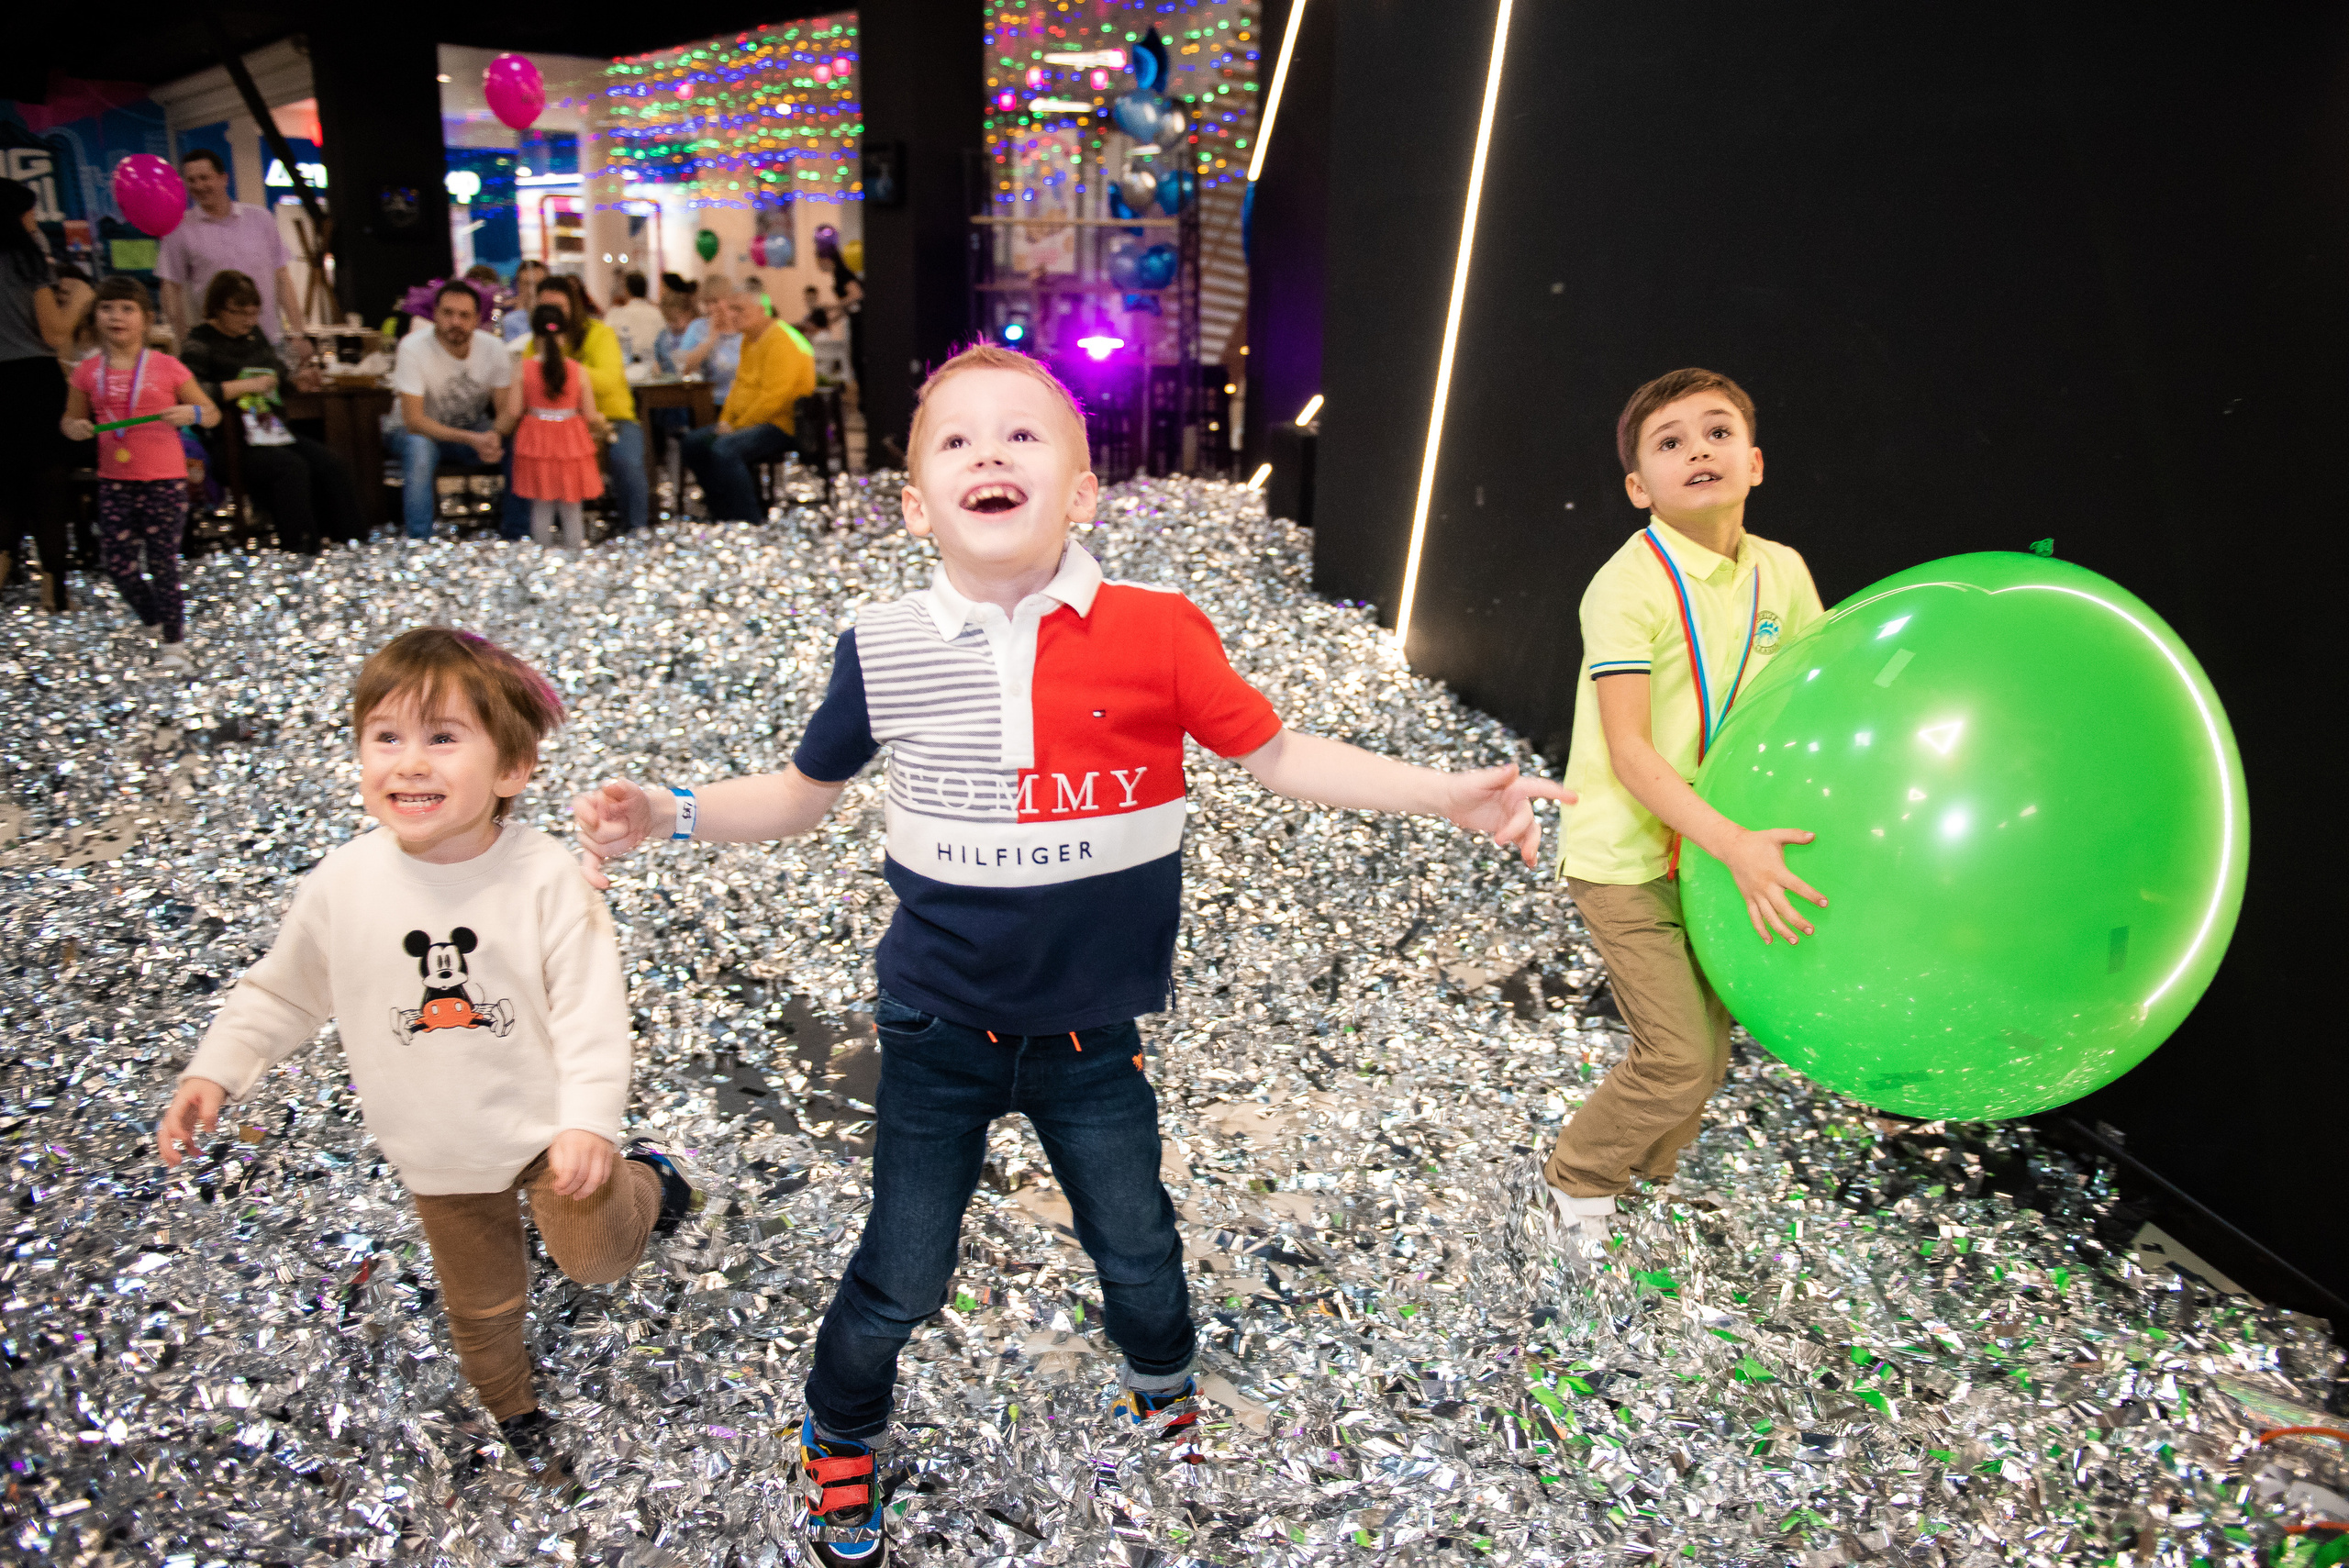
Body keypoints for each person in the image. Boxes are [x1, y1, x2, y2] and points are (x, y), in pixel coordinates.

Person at [572, 344, 1567, 1566]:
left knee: (1138, 1242)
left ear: (1084, 494)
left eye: (1024, 437)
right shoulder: (883, 643)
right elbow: (795, 795)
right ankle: (840, 1427)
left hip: (1096, 1040)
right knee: (904, 1270)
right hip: (936, 1031)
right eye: (956, 442)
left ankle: (1164, 1386)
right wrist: (668, 808)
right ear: (914, 502)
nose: (990, 454)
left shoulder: (1159, 631)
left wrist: (1442, 791)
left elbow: (1283, 754)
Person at [154, 627, 698, 1477]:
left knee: (594, 1260)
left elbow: (593, 1009)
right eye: (387, 737)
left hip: (547, 1132)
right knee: (481, 1303)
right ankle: (514, 1407)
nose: (410, 762)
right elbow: (283, 988)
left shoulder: (545, 875)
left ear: (512, 771)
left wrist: (589, 1122)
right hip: (438, 1153)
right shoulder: (343, 884)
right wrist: (214, 1068)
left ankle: (650, 1180)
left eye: (443, 738)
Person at [1541, 368, 1828, 1256]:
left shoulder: (1781, 570)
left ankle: (1645, 1183)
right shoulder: (1623, 586)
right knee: (1677, 1057)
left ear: (1754, 461)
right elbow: (1630, 754)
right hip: (1625, 856)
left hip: (1714, 849)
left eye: (1715, 433)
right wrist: (1735, 843)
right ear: (1639, 487)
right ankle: (1572, 1180)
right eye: (1669, 443)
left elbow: (1815, 700)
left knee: (1708, 1047)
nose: (1696, 450)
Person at [59, 278, 220, 671]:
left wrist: (192, 413)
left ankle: (174, 642)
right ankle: (155, 617)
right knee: (118, 564)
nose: (117, 317)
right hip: (114, 480)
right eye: (107, 308)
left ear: (146, 320)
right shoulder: (86, 371)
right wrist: (74, 428)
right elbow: (69, 419)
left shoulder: (168, 367)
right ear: (95, 317)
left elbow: (211, 412)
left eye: (127, 309)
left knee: (163, 560)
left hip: (164, 479)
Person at [180, 269, 363, 553]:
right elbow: (192, 392)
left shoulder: (255, 336)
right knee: (291, 467)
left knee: (331, 463)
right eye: (240, 313)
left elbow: (276, 375)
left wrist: (295, 380)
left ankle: (352, 545)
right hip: (231, 442)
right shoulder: (199, 341)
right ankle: (302, 550)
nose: (249, 321)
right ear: (217, 308)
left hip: (272, 431)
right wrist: (244, 386)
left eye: (254, 313)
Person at [0, 178, 93, 611]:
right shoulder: (25, 260)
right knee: (48, 481)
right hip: (33, 381)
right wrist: (80, 299)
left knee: (6, 484)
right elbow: (55, 332)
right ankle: (53, 585)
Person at [515, 274, 644, 538]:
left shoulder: (601, 334)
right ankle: (520, 533)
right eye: (545, 307)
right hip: (557, 430)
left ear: (573, 307)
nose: (553, 314)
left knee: (626, 462)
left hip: (612, 419)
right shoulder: (533, 346)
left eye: (560, 307)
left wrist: (561, 373)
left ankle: (636, 533)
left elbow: (609, 381)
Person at [390, 280, 514, 541]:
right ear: (435, 314)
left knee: (518, 441)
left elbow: (504, 411)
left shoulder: (493, 348)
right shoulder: (412, 347)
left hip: (472, 429)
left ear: (477, 319)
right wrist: (475, 439)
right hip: (416, 430)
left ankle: (517, 535)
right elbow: (414, 421)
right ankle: (419, 543)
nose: (455, 321)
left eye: (464, 315)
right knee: (419, 448)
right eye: (448, 313)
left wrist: (495, 435)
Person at [677, 292, 814, 523]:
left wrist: (737, 426)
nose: (732, 315)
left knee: (724, 448)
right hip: (748, 422)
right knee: (693, 444)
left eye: (739, 309)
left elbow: (775, 398)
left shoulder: (782, 340)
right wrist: (725, 420)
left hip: (781, 425)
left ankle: (748, 520)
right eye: (732, 309)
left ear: (762, 311)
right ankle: (721, 512)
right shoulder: (750, 340)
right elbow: (738, 387)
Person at [155, 149, 306, 350]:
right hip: (215, 347)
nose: (199, 186)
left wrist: (298, 334)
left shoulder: (260, 219)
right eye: (191, 181)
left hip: (267, 341)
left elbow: (282, 278)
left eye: (204, 178)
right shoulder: (180, 229)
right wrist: (183, 341)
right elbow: (170, 288)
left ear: (223, 178)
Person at [501, 304, 607, 549]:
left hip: (537, 440)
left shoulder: (523, 368)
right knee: (572, 506)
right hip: (571, 439)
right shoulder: (578, 370)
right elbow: (590, 415)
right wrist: (603, 422)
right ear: (564, 334)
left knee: (541, 505)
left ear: (534, 335)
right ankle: (575, 556)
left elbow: (514, 410)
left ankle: (543, 557)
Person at [605, 271, 664, 368]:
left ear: (626, 290)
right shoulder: (657, 313)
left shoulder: (615, 314)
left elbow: (606, 344)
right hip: (653, 368)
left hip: (624, 368)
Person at [501, 260, 551, 344]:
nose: (533, 290)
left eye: (538, 284)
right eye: (527, 284)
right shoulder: (510, 322)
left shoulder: (559, 317)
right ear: (519, 285)